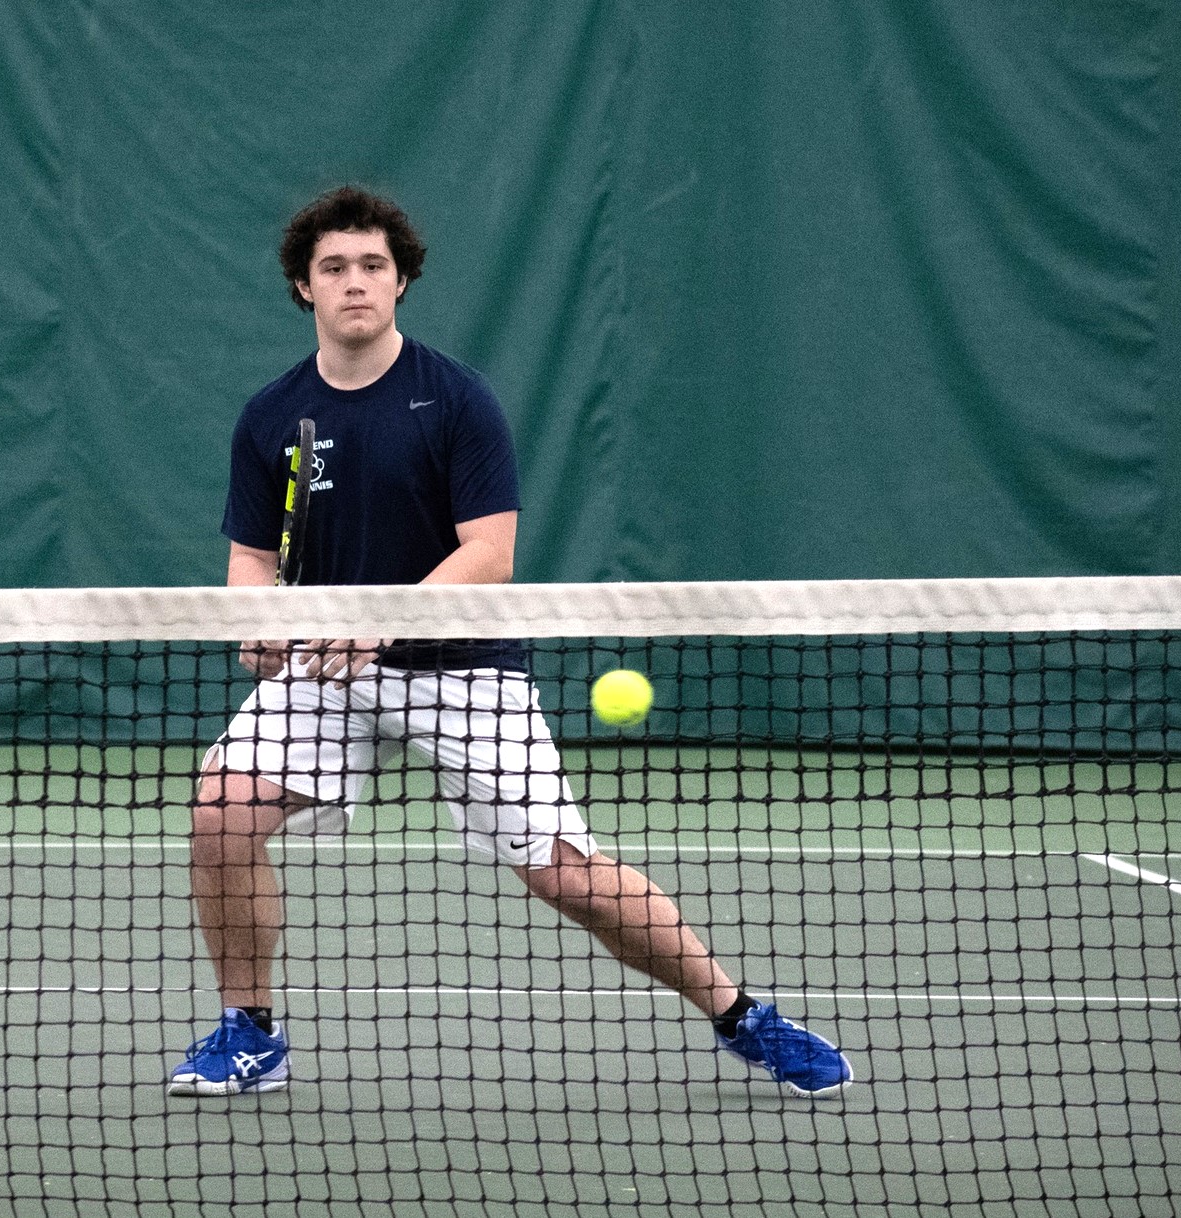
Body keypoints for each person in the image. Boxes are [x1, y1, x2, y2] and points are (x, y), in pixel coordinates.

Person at [168, 185, 852, 1100]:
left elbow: (489, 554)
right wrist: (257, 623)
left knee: (567, 875)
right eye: (334, 268)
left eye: (374, 265)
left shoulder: (455, 400)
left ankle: (741, 1016)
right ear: (304, 287)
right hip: (325, 669)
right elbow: (251, 557)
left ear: (403, 280)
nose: (356, 283)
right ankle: (249, 1032)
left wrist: (380, 623)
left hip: (462, 668)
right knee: (220, 809)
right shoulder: (269, 416)